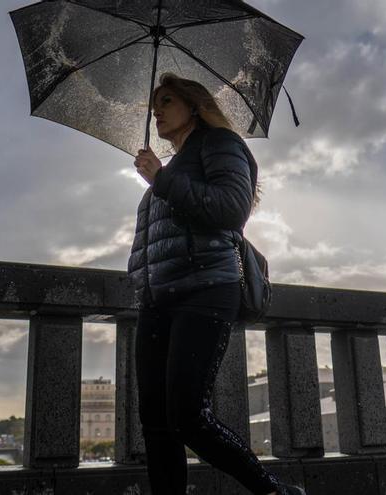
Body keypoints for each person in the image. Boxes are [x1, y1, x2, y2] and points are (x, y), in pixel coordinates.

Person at [127, 72, 307, 495]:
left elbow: (231, 209)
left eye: (166, 100)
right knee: (155, 420)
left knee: (188, 414)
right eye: (155, 103)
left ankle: (273, 491)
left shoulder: (221, 144)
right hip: (158, 298)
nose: (157, 109)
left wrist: (162, 180)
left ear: (193, 105)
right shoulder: (170, 166)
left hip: (206, 287)